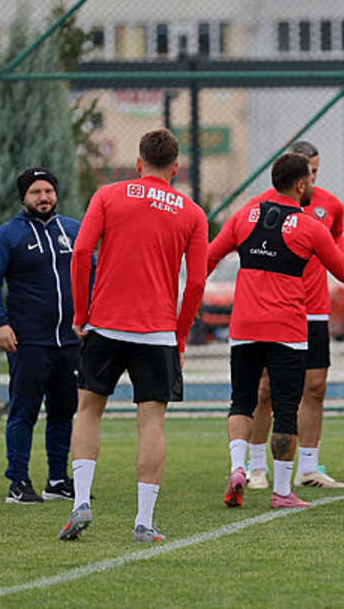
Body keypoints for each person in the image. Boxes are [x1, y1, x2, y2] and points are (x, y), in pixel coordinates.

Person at [211, 153, 344, 510]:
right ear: (300, 185)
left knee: (242, 400)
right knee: (285, 408)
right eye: (310, 178)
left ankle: (239, 468)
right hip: (287, 328)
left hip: (244, 326)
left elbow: (207, 257)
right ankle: (282, 491)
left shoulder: (244, 216)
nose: (313, 184)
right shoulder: (309, 226)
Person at [60, 129, 209, 543]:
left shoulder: (108, 195)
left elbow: (81, 253)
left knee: (88, 411)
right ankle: (143, 521)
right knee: (151, 423)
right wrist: (180, 337)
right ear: (176, 168)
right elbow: (197, 282)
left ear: (139, 163)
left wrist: (81, 313)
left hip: (105, 325)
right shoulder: (193, 213)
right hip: (158, 332)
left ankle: (81, 503)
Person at [241, 141, 344, 490]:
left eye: (316, 170)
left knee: (315, 389)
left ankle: (308, 468)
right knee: (265, 390)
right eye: (307, 172)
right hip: (276, 313)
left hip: (314, 312)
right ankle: (257, 467)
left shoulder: (330, 206)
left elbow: (342, 261)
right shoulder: (258, 207)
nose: (311, 178)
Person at [0, 168, 83, 504]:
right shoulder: (8, 234)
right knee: (24, 411)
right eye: (36, 192)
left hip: (70, 341)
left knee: (63, 412)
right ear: (23, 197)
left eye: (48, 191)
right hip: (28, 341)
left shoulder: (73, 230)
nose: (44, 197)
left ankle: (57, 480)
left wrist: (92, 316)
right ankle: (18, 481)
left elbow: (92, 271)